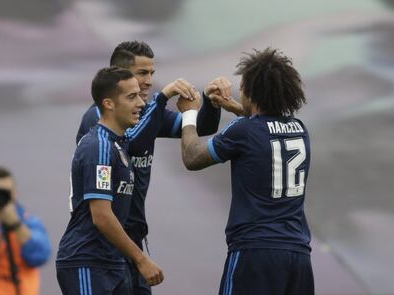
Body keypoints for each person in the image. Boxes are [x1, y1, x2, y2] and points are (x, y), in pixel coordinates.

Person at [76, 41, 226, 294]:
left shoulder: (144, 114)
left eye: (152, 74)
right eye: (142, 73)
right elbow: (131, 143)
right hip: (101, 243)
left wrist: (211, 103)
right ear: (120, 77)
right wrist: (163, 97)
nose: (148, 81)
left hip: (133, 240)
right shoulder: (99, 118)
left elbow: (201, 126)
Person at [177, 48, 314, 295]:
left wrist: (188, 113)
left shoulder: (243, 131)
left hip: (255, 254)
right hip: (298, 256)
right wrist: (236, 108)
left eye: (243, 88)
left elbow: (192, 157)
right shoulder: (299, 129)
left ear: (252, 91)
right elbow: (264, 128)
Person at [56, 67, 164, 295]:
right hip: (87, 261)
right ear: (109, 104)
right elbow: (102, 216)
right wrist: (141, 260)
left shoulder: (119, 144)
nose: (141, 104)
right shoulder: (100, 146)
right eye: (131, 97)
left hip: (112, 262)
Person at [0, 167, 51, 295]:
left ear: (15, 192)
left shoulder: (29, 222)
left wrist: (16, 224)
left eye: (7, 192)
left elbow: (41, 255)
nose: (1, 197)